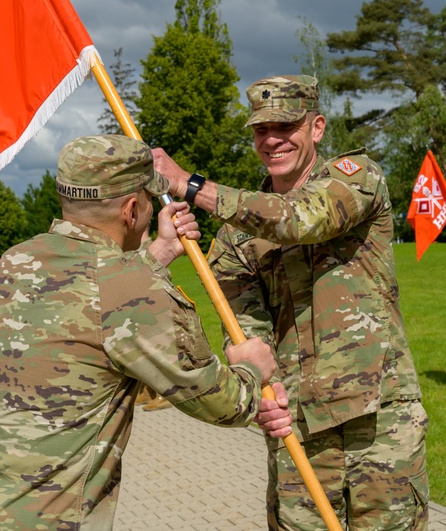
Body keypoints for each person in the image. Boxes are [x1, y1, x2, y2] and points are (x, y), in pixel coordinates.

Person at [0, 135, 285, 530]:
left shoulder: (15, 261)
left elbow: (91, 306)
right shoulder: (130, 292)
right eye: (149, 200)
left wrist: (159, 255)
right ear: (132, 209)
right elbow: (225, 404)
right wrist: (253, 370)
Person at [153, 75, 428, 530]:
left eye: (285, 126)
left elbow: (302, 219)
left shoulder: (356, 179)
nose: (272, 139)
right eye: (261, 130)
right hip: (296, 423)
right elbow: (244, 327)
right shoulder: (235, 236)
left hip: (379, 420)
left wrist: (190, 184)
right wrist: (264, 386)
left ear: (316, 127)